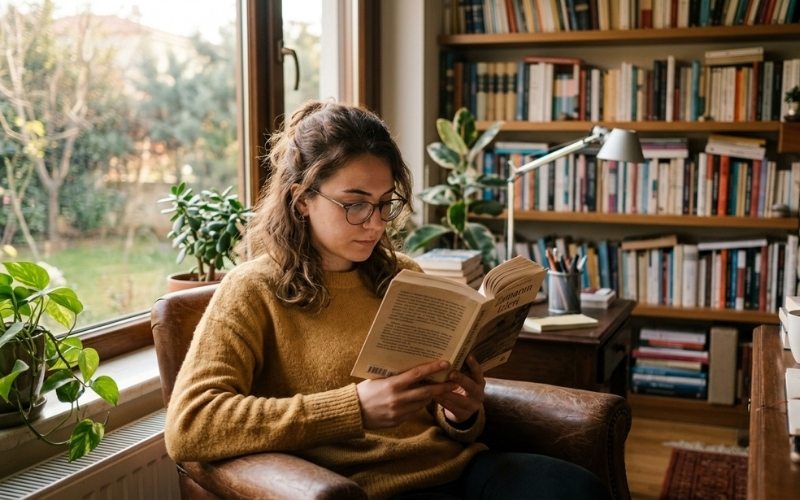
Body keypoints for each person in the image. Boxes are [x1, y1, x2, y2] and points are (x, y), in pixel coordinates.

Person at [164, 99, 610, 499]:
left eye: (384, 203)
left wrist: (461, 411)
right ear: (302, 200)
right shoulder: (252, 289)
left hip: (455, 469)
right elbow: (190, 425)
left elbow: (436, 410)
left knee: (578, 488)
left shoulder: (403, 276)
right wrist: (353, 408)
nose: (375, 223)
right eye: (354, 204)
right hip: (355, 488)